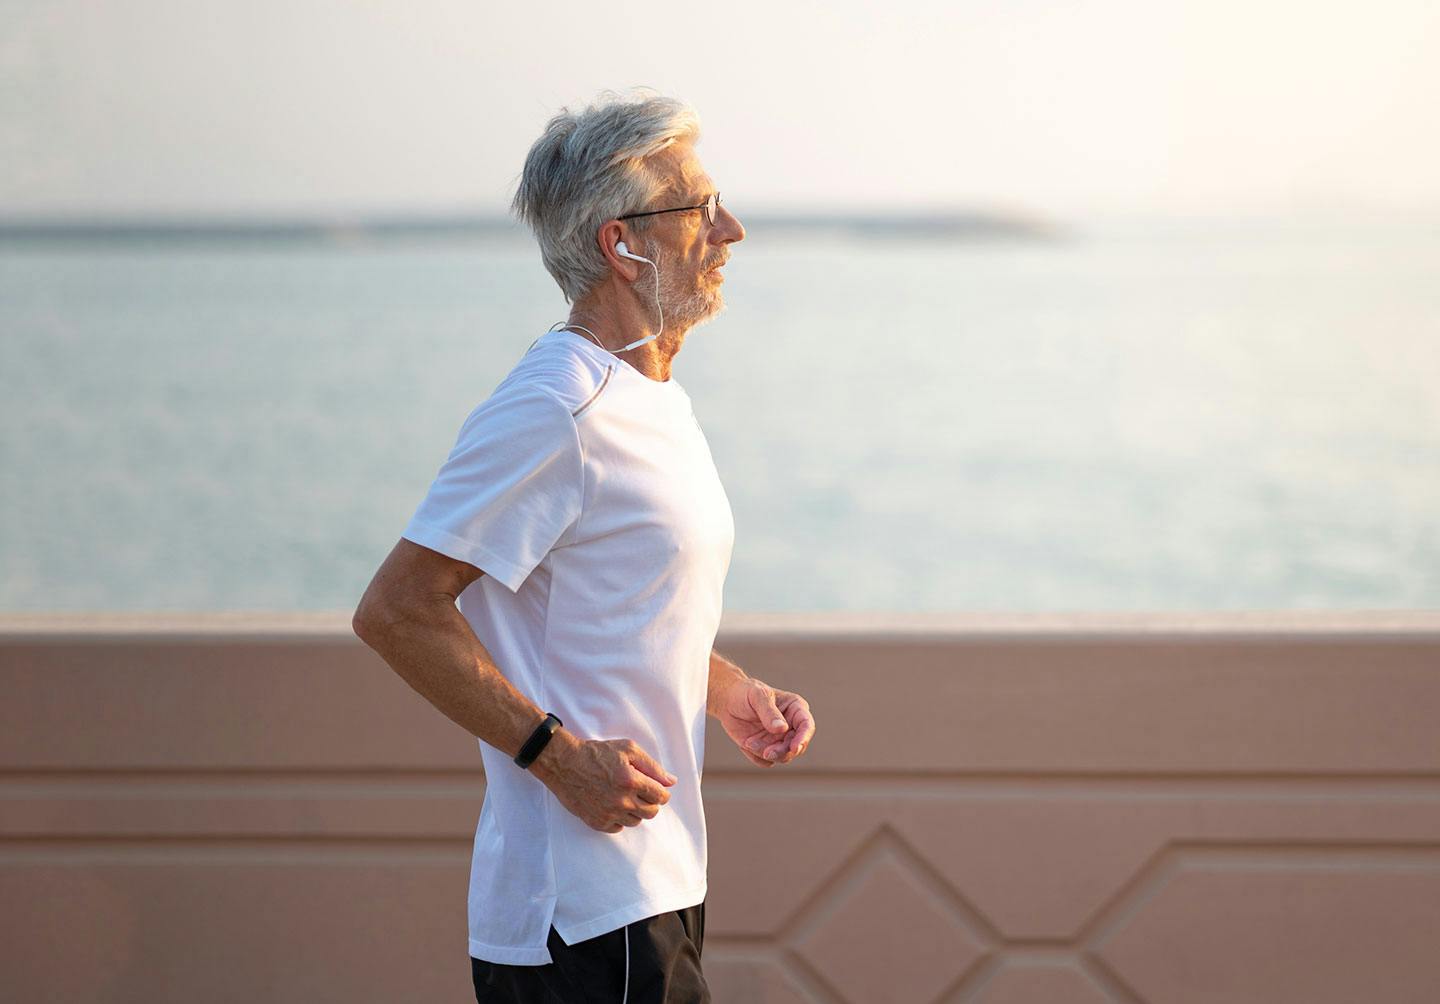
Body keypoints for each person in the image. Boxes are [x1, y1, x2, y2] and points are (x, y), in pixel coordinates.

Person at [351, 89, 817, 1004]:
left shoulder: (650, 396)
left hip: (662, 879)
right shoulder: (555, 404)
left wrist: (728, 691)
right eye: (700, 208)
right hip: (581, 912)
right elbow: (397, 610)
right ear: (622, 242)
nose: (730, 231)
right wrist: (558, 758)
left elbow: (616, 602)